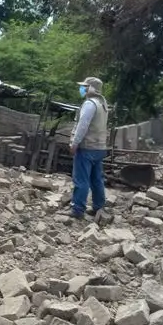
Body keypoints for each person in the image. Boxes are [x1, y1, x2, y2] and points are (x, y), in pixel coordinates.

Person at [69, 76, 110, 220]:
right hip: (99, 148)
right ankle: (99, 207)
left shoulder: (89, 104)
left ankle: (78, 209)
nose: (82, 89)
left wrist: (75, 143)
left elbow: (82, 125)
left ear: (91, 88)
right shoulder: (103, 104)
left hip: (87, 147)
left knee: (81, 179)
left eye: (84, 86)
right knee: (96, 179)